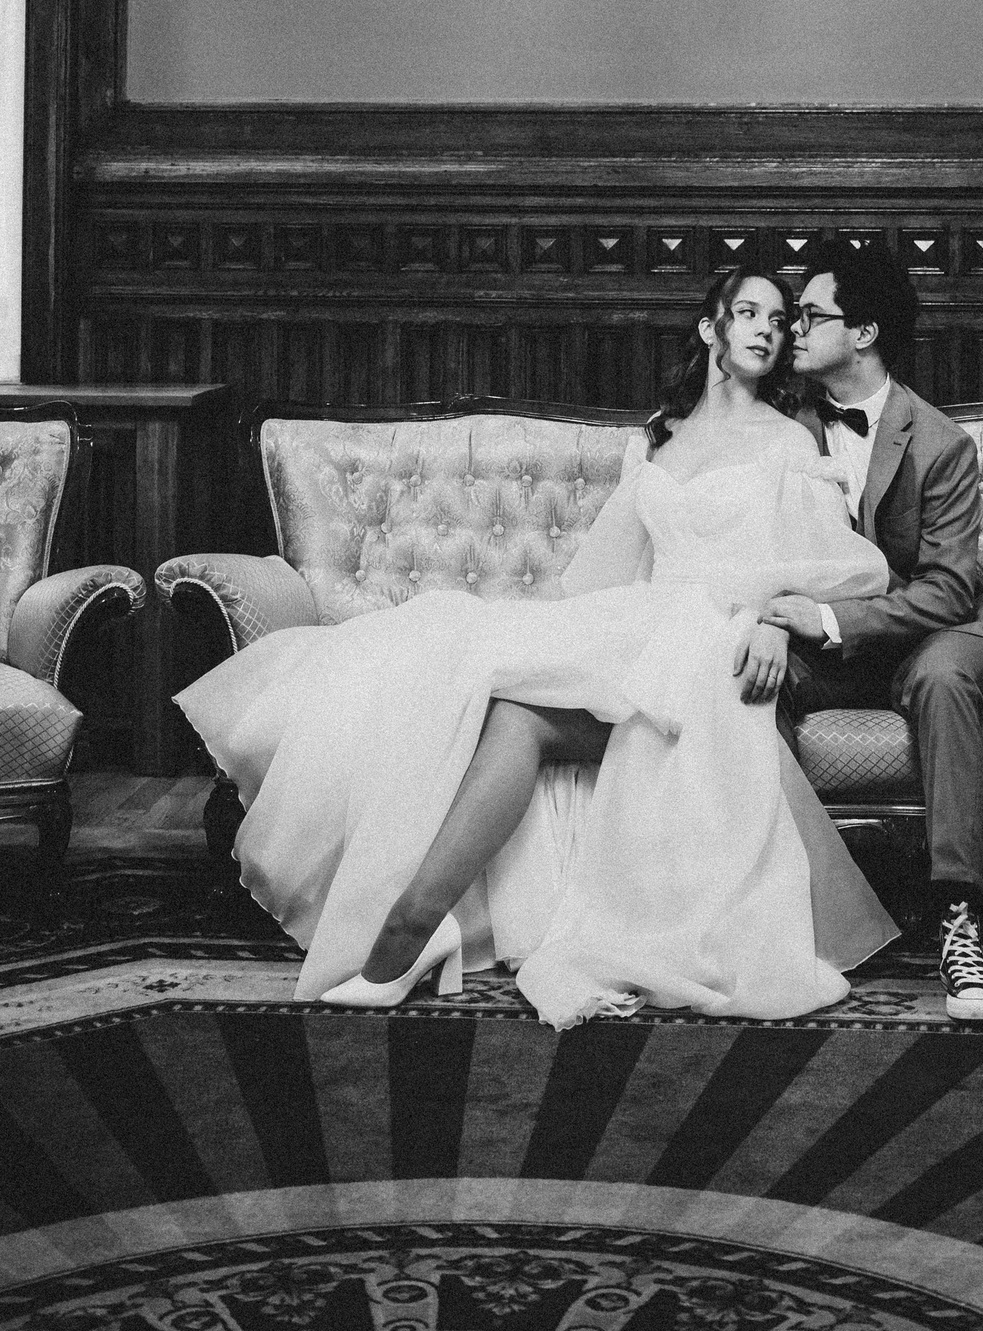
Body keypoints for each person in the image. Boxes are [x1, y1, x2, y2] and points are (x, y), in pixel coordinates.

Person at [177, 269, 896, 1026]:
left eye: (778, 321)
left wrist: (770, 622)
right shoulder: (662, 436)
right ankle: (409, 929)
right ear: (709, 327)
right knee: (485, 687)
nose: (765, 331)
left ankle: (403, 938)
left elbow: (835, 566)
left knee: (501, 694)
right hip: (650, 626)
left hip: (722, 644)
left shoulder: (789, 440)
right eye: (746, 313)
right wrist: (572, 634)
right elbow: (609, 575)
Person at [765, 236, 983, 1025]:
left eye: (810, 316)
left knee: (943, 676)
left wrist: (828, 617)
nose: (792, 330)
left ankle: (960, 917)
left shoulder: (941, 442)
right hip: (831, 644)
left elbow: (949, 589)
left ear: (863, 333)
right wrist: (778, 623)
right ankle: (777, 907)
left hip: (935, 630)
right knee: (746, 674)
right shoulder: (781, 427)